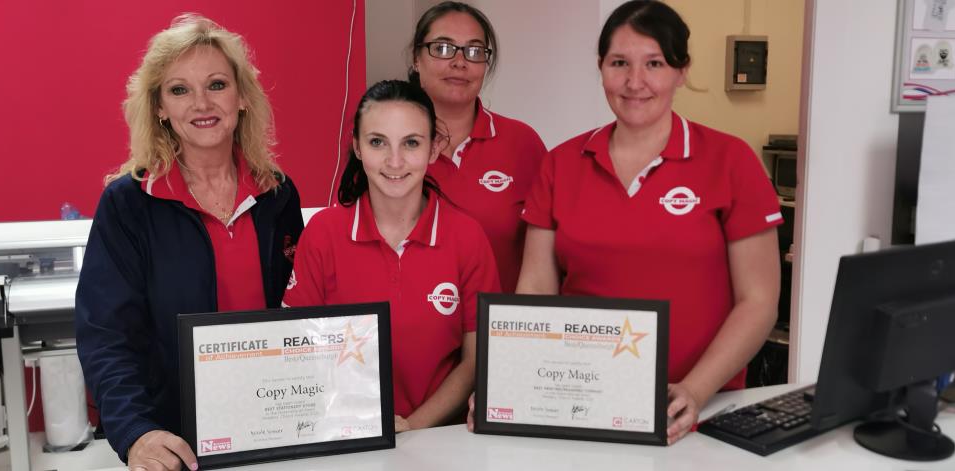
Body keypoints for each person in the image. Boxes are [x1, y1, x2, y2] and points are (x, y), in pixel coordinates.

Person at [517, 1, 781, 444]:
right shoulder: (560, 164)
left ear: (682, 71)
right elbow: (535, 291)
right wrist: (515, 381)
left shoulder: (730, 161)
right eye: (619, 63)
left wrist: (694, 390)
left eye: (654, 64)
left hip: (703, 408)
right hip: (583, 399)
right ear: (601, 67)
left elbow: (758, 301)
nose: (634, 82)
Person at [75, 14, 303, 470]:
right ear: (159, 107)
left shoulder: (278, 195)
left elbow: (306, 314)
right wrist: (136, 432)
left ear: (241, 97)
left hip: (275, 428)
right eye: (179, 90)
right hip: (178, 444)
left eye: (217, 84)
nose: (202, 103)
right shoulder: (129, 204)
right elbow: (106, 336)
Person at [283, 80, 501, 432]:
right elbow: (300, 351)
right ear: (357, 146)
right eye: (377, 142)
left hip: (442, 438)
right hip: (346, 435)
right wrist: (363, 426)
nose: (395, 161)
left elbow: (475, 359)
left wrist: (413, 426)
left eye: (411, 143)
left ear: (434, 148)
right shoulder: (323, 234)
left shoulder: (467, 237)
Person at [408, 1, 547, 292]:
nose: (460, 62)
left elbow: (547, 256)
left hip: (499, 317)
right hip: (409, 317)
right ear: (416, 59)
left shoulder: (522, 143)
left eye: (474, 51)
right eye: (442, 48)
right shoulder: (388, 146)